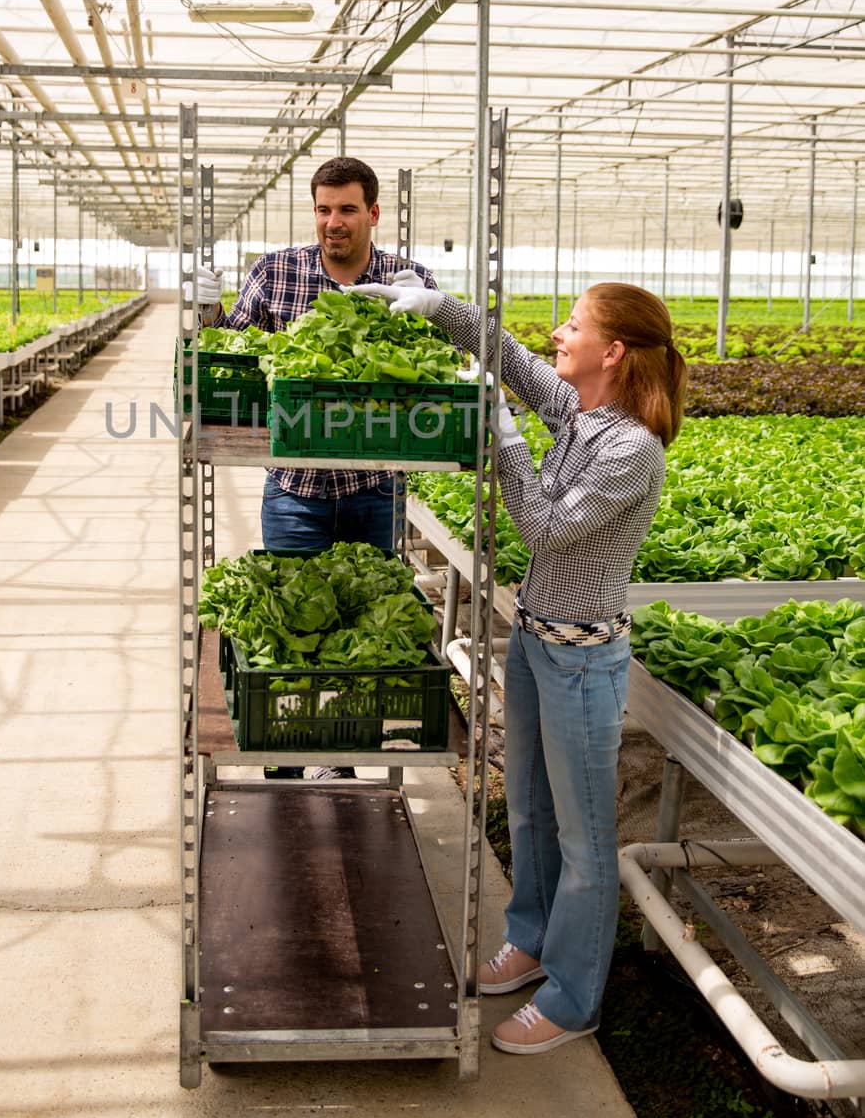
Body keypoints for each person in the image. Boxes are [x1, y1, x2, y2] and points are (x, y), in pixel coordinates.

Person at [349, 276, 687, 1054]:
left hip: (582, 663)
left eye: (572, 326)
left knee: (584, 838)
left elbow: (539, 527)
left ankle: (573, 999)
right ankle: (531, 940)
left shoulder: (629, 448)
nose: (557, 336)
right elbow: (509, 355)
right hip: (536, 642)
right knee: (530, 810)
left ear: (612, 351)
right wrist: (441, 308)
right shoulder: (582, 412)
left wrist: (500, 434)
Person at [189, 155, 440, 777]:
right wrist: (207, 313)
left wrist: (437, 315)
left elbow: (440, 359)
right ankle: (287, 759)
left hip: (373, 489)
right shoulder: (277, 273)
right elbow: (235, 349)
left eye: (348, 209)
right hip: (295, 488)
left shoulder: (405, 278)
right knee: (290, 626)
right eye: (324, 209)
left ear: (373, 214)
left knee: (360, 632)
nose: (334, 222)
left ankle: (343, 756)